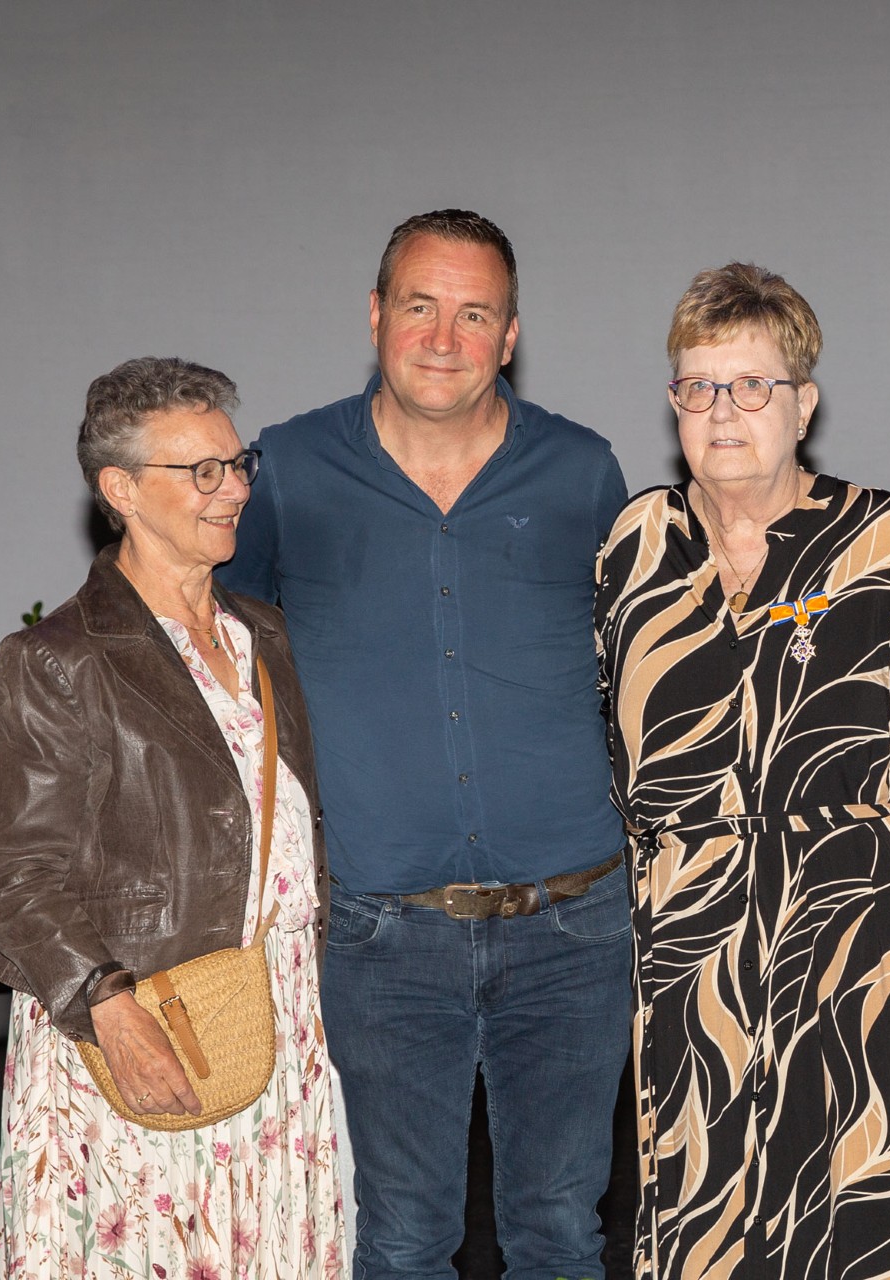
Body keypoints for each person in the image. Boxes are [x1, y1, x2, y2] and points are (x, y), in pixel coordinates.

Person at [217, 209, 630, 1280]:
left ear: (510, 334)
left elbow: (636, 667)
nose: (444, 338)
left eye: (474, 313)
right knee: (400, 1240)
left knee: (561, 1235)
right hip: (379, 931)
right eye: (420, 306)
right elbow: (219, 665)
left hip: (576, 923)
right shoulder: (288, 471)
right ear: (375, 315)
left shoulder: (582, 471)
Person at [597, 262, 890, 1279]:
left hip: (867, 951)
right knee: (706, 1216)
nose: (721, 411)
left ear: (804, 403)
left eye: (751, 386)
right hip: (694, 956)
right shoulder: (634, 547)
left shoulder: (886, 542)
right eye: (698, 386)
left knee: (878, 1212)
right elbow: (608, 757)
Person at [0, 357, 342, 1277]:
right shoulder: (59, 659)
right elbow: (14, 875)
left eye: (238, 464)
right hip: (142, 1021)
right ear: (121, 490)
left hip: (279, 1019)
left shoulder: (263, 634)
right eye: (202, 471)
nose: (235, 489)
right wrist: (108, 1006)